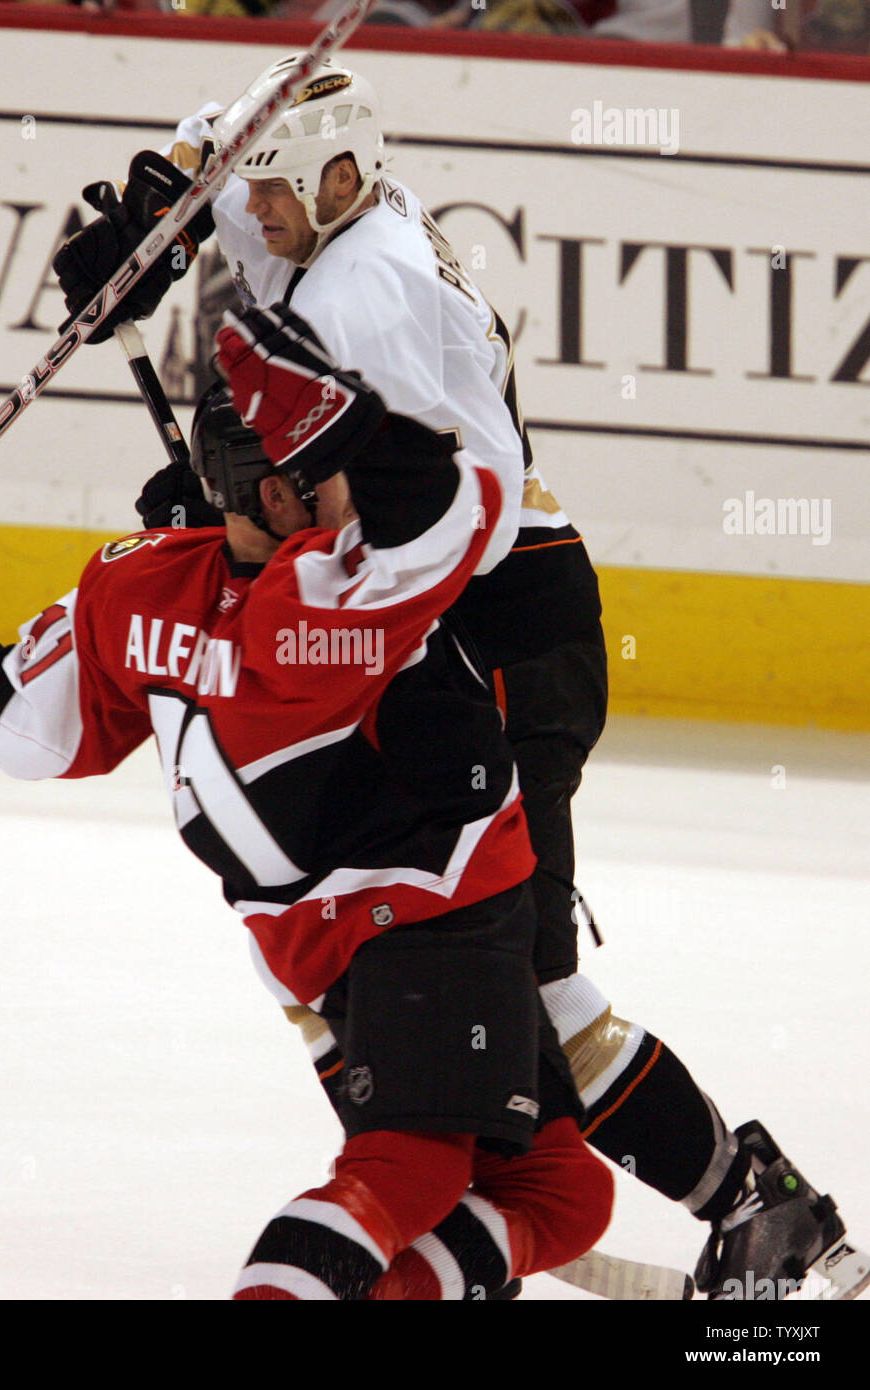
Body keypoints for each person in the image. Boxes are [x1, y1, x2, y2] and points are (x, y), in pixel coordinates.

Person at [51, 54, 863, 1298]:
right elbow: (230, 150)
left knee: (522, 952)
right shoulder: (314, 185)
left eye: (266, 198)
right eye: (250, 192)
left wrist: (228, 494)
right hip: (447, 624)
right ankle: (503, 1151)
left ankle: (753, 1205)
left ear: (337, 178)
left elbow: (378, 510)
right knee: (416, 916)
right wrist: (159, 216)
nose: (252, 214)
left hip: (501, 622)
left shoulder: (366, 288)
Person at [0, 305, 613, 1301]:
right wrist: (347, 421)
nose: (345, 490)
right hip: (424, 913)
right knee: (416, 1171)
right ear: (279, 489)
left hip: (305, 945)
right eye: (323, 469)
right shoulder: (317, 606)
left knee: (562, 1188)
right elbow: (460, 509)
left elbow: (25, 726)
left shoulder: (132, 585)